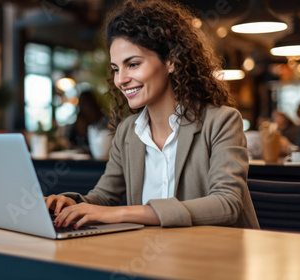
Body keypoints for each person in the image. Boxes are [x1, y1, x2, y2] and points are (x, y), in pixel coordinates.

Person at [45, 0, 259, 229]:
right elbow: (104, 198)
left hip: (215, 256)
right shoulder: (128, 131)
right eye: (116, 68)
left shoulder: (221, 121)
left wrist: (121, 214)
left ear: (172, 61)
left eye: (133, 64)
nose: (120, 80)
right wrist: (71, 204)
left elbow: (226, 205)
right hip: (153, 255)